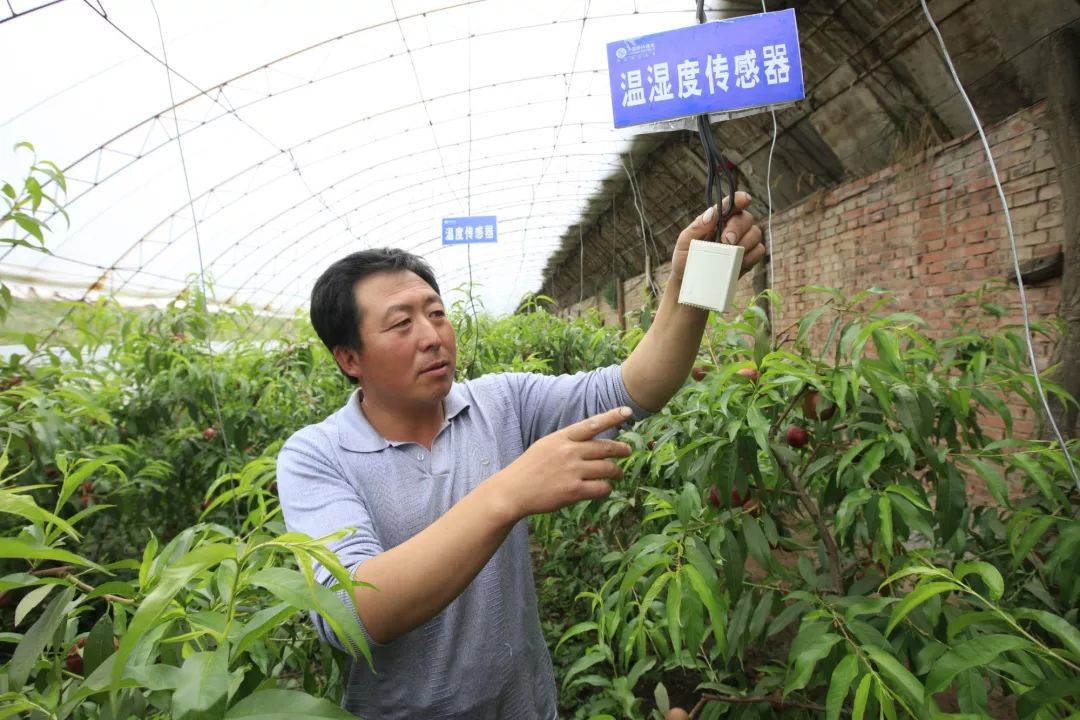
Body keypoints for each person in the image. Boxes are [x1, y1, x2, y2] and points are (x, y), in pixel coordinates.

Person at [276, 192, 765, 719]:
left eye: (437, 314)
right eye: (401, 324)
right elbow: (355, 613)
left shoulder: (499, 403)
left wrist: (688, 289)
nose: (432, 336)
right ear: (349, 358)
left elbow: (633, 388)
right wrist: (509, 492)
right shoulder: (316, 456)